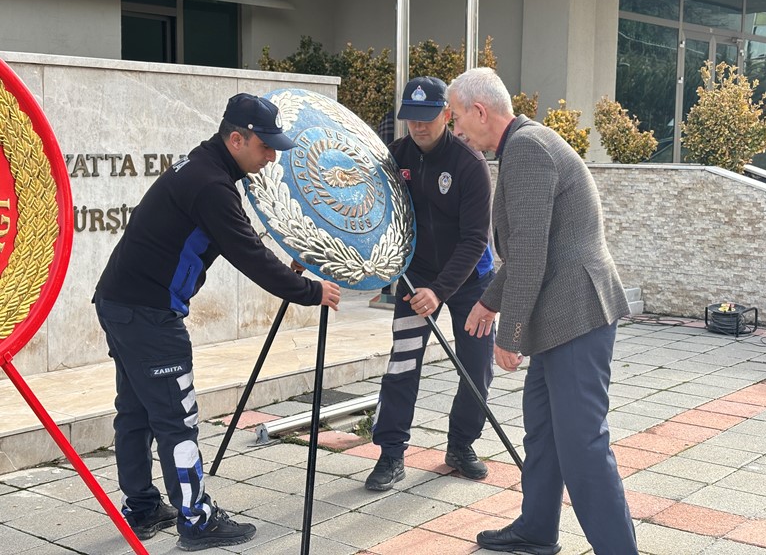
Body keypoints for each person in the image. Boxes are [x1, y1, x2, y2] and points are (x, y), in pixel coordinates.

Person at [94, 93, 341, 551]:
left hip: (121, 302)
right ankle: (196, 520)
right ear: (236, 139)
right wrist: (311, 292)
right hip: (149, 313)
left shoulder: (204, 168)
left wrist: (288, 271)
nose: (271, 158)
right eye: (265, 147)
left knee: (137, 411)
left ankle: (142, 507)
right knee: (176, 417)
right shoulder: (211, 184)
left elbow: (239, 237)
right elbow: (247, 253)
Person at [448, 68, 638, 555]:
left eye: (457, 118)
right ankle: (536, 530)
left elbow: (531, 254)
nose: (456, 130)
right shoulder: (523, 144)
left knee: (582, 444)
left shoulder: (527, 149)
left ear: (480, 111)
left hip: (576, 314)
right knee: (544, 432)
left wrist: (508, 333)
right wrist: (488, 302)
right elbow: (531, 250)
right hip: (561, 314)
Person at [365, 76, 496, 491]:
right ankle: (390, 453)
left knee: (477, 367)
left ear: (446, 114)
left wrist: (440, 291)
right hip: (415, 278)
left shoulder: (469, 164)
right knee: (402, 364)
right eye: (411, 118)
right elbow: (376, 214)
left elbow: (475, 240)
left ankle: (461, 445)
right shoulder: (394, 157)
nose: (418, 126)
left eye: (427, 117)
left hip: (471, 281)